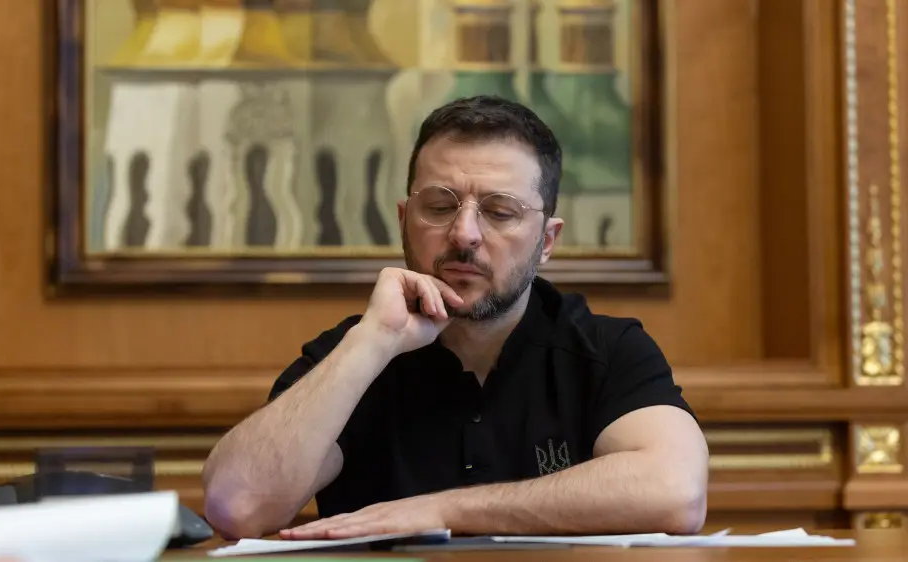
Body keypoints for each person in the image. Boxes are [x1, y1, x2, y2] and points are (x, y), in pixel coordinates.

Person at [202, 95, 709, 540]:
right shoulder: (353, 355)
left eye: (500, 211)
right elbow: (237, 506)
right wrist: (373, 342)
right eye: (440, 206)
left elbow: (676, 491)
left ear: (547, 240)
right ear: (405, 221)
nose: (464, 233)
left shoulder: (606, 349)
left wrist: (441, 510)